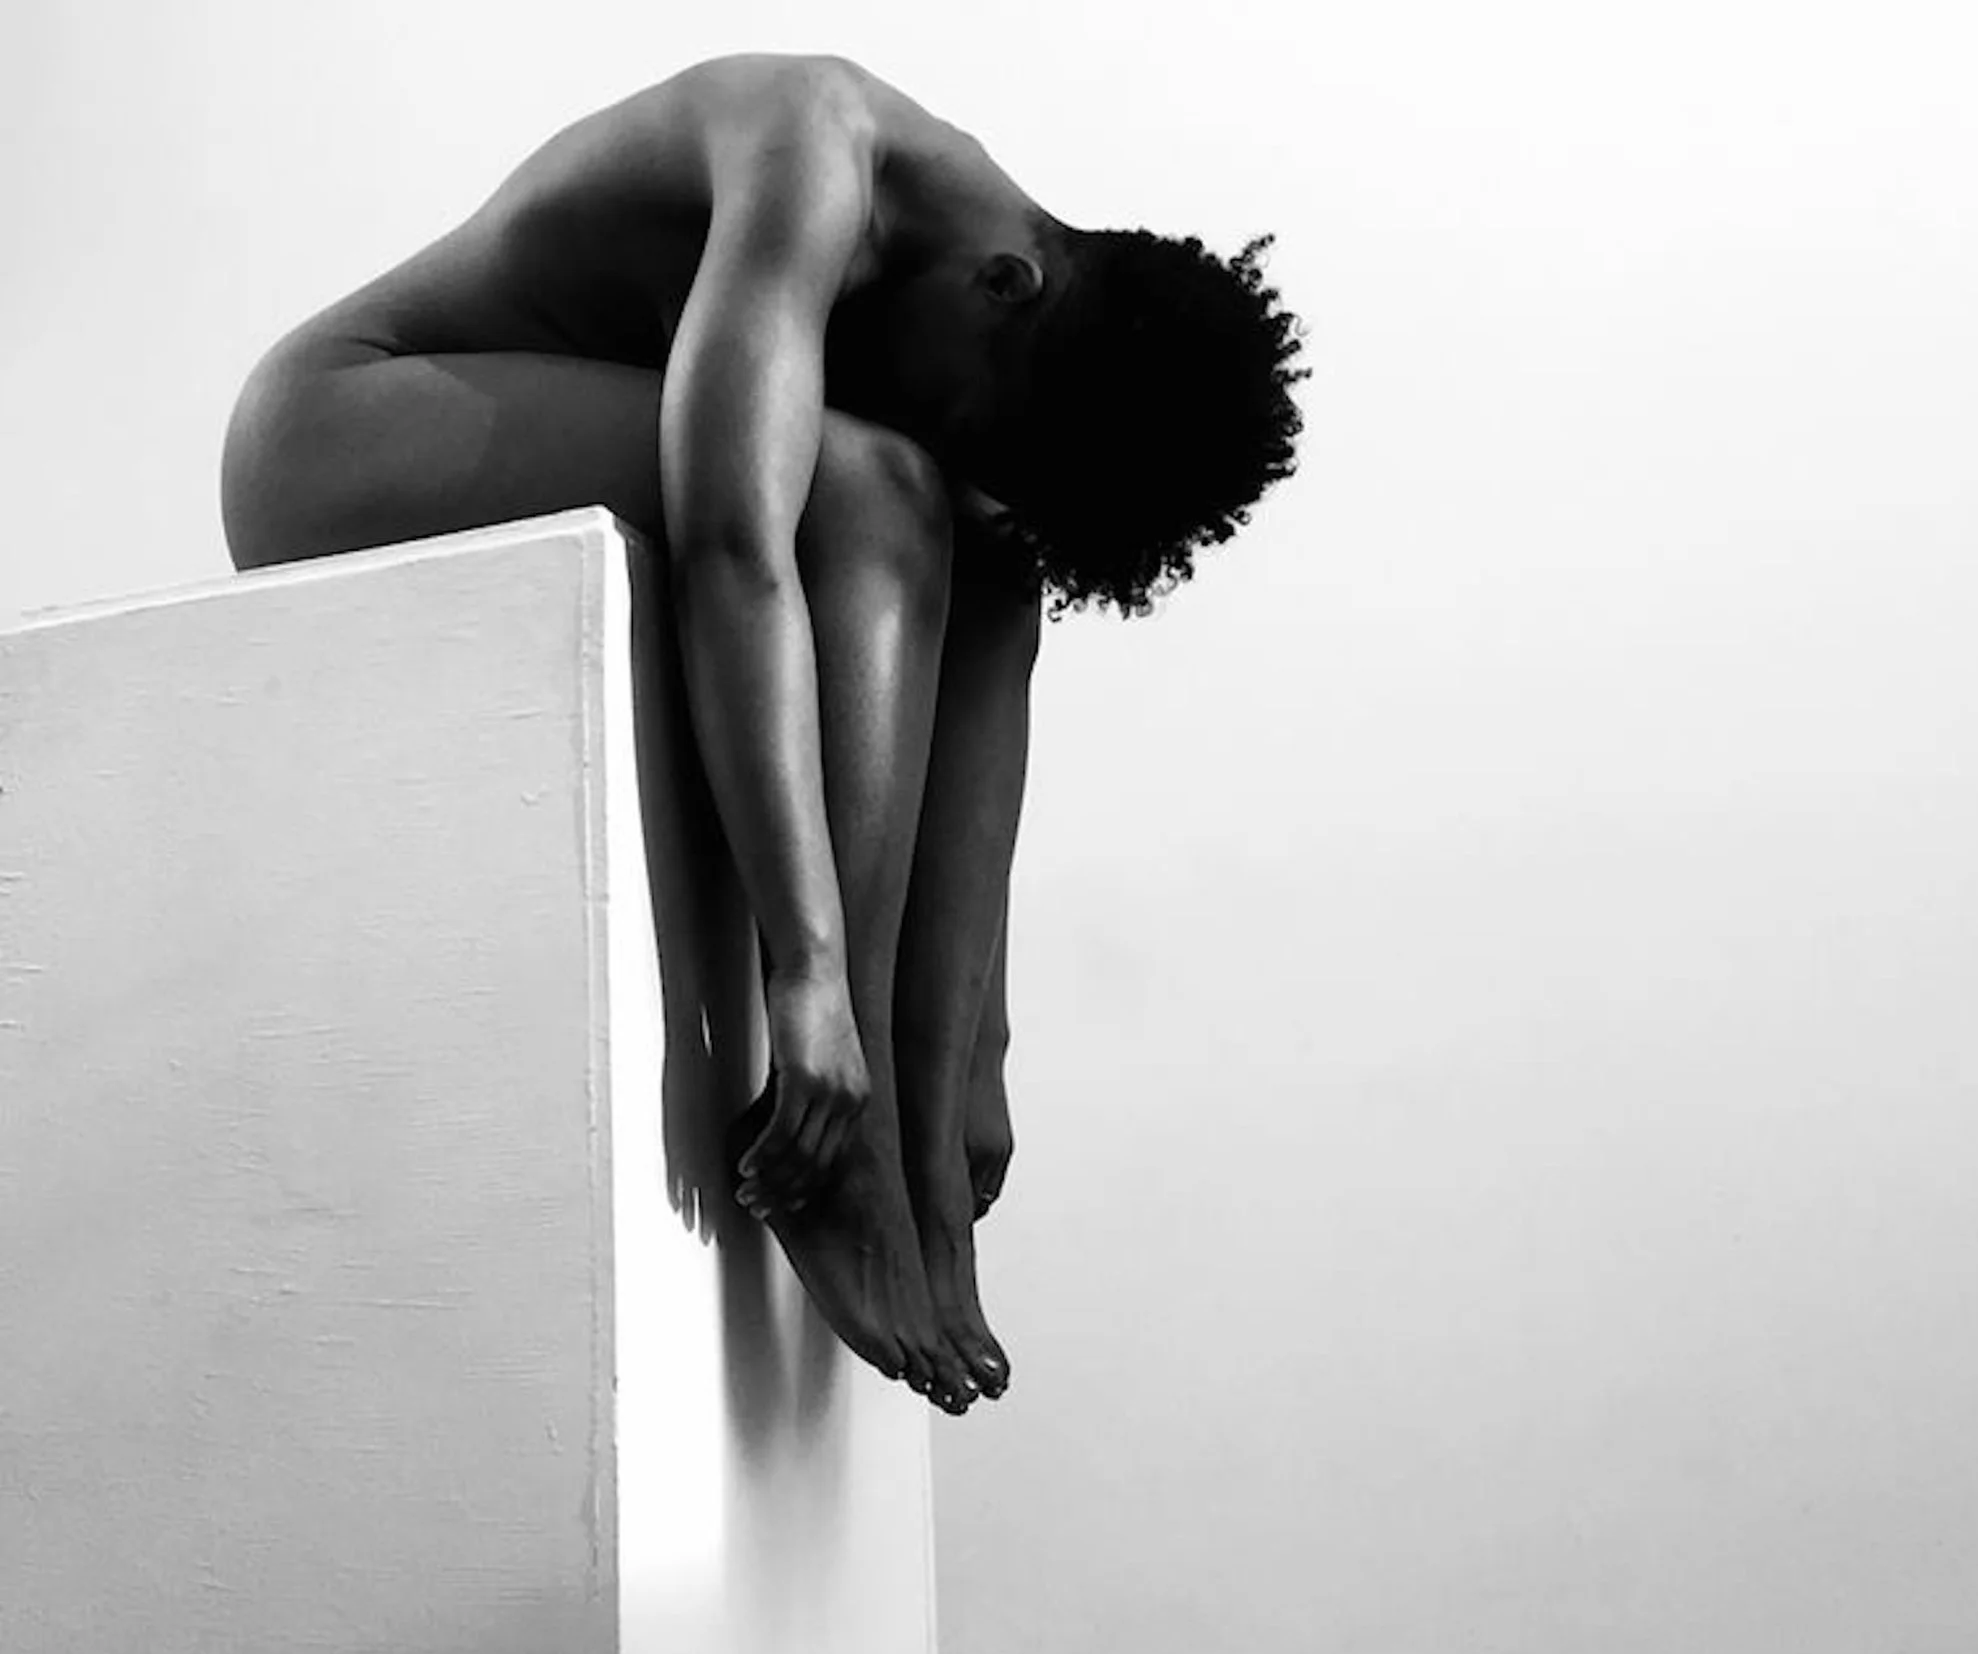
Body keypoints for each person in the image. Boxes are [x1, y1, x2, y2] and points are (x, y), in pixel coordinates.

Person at [219, 53, 1310, 1415]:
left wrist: (975, 1057)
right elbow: (733, 548)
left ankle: (914, 1146)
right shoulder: (814, 151)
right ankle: (843, 1156)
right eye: (976, 408)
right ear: (1006, 284)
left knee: (989, 548)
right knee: (872, 486)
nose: (949, 433)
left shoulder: (960, 288)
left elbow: (974, 596)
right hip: (337, 429)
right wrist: (808, 975)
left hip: (511, 440)